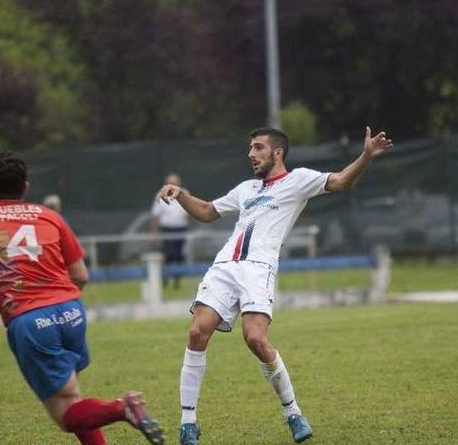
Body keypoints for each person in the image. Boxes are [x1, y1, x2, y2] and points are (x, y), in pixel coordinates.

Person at [156, 127, 393, 444]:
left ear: (277, 152)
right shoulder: (246, 189)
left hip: (259, 269)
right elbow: (208, 211)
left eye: (257, 147)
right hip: (225, 266)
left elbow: (341, 181)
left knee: (255, 338)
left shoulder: (299, 181)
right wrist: (180, 193)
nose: (251, 154)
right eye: (250, 148)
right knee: (198, 331)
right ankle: (188, 422)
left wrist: (365, 155)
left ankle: (293, 412)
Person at [0, 151, 165, 445]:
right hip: (71, 312)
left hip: (30, 321)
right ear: (26, 186)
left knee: (66, 414)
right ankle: (123, 411)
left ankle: (124, 408)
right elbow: (80, 275)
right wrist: (60, 306)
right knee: (74, 399)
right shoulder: (48, 215)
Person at [151, 173, 190, 289]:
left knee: (179, 256)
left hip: (181, 229)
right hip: (167, 230)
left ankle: (176, 282)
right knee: (168, 256)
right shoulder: (161, 194)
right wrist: (154, 233)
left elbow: (190, 212)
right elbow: (156, 215)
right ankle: (165, 281)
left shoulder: (185, 193)